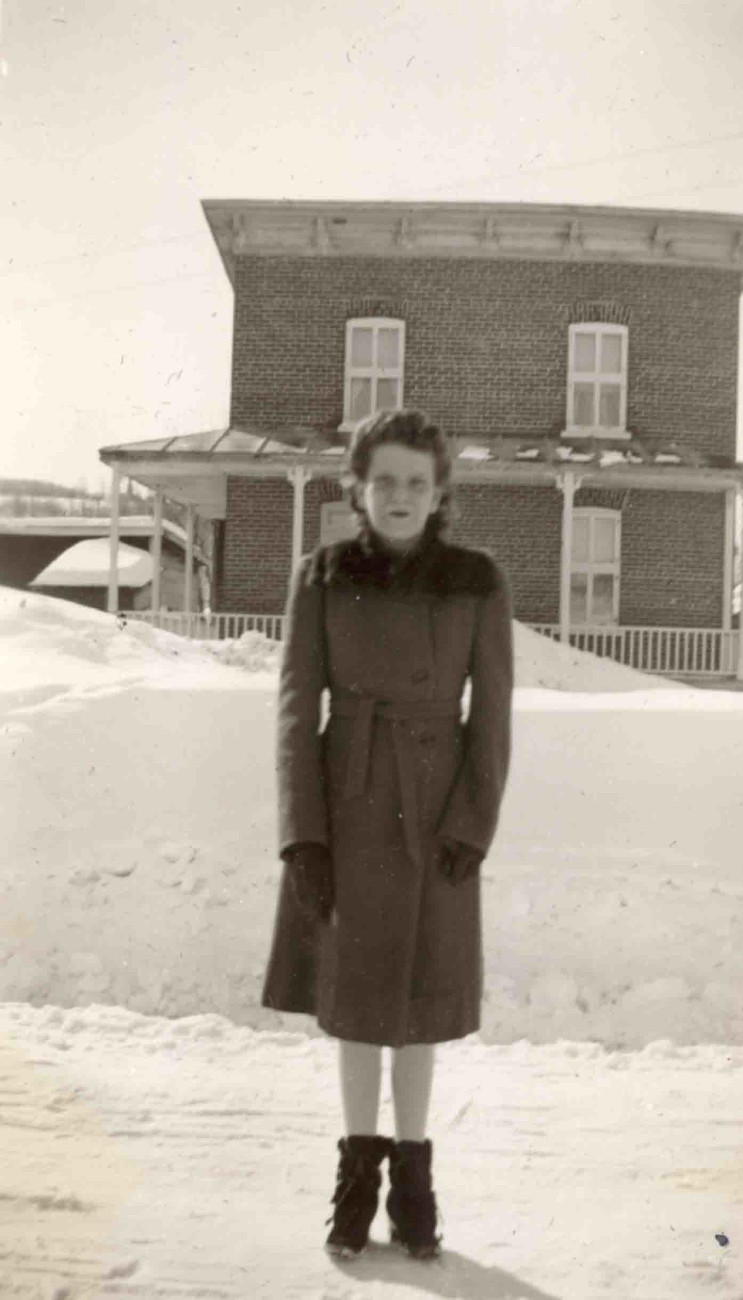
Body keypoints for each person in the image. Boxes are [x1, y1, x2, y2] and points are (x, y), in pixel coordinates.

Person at [262, 408, 513, 1261]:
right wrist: (303, 836)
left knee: (419, 1002)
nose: (400, 495)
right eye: (385, 481)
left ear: (439, 491)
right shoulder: (321, 576)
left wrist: (472, 825)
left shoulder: (476, 579)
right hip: (349, 805)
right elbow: (297, 713)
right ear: (357, 489)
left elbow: (493, 717)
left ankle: (413, 1175)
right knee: (359, 1003)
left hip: (437, 813)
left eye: (416, 481)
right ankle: (355, 1172)